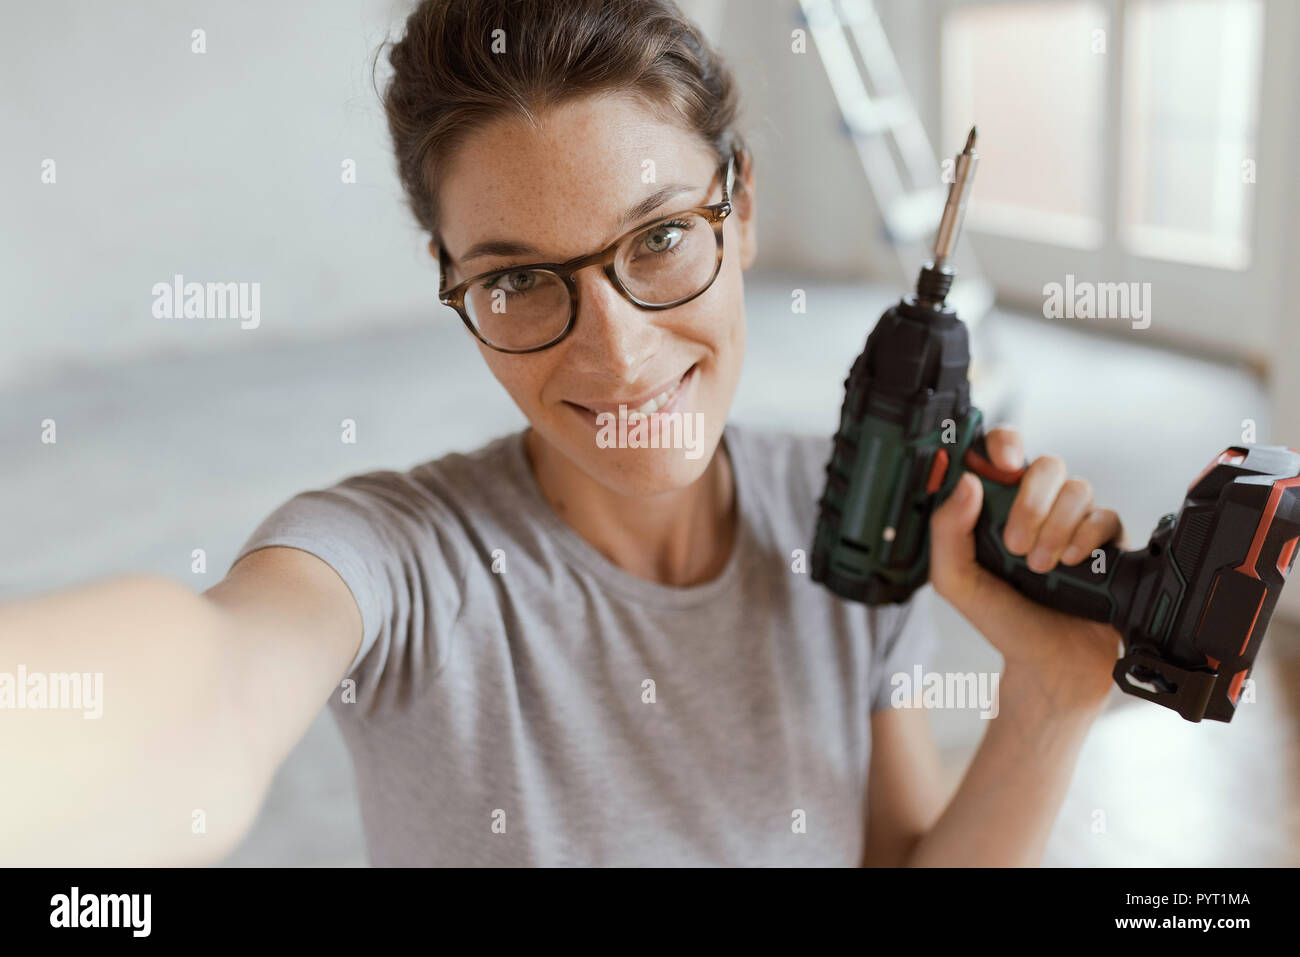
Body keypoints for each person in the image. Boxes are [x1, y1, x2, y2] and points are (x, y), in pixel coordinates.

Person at [0, 0, 1126, 867]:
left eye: (660, 238)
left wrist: (1048, 699)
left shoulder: (848, 530)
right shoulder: (397, 561)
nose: (618, 353)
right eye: (519, 281)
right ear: (449, 280)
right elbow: (209, 682)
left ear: (740, 207)